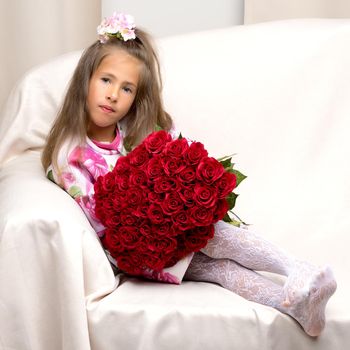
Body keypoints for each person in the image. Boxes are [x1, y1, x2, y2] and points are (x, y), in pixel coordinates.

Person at [41, 12, 337, 337]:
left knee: (221, 259)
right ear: (86, 78)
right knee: (219, 250)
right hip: (142, 248)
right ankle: (300, 272)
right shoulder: (72, 155)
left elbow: (174, 152)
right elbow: (100, 217)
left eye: (127, 89)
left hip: (173, 228)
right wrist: (154, 222)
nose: (113, 94)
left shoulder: (132, 130)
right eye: (106, 80)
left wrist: (184, 184)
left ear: (136, 97)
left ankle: (293, 300)